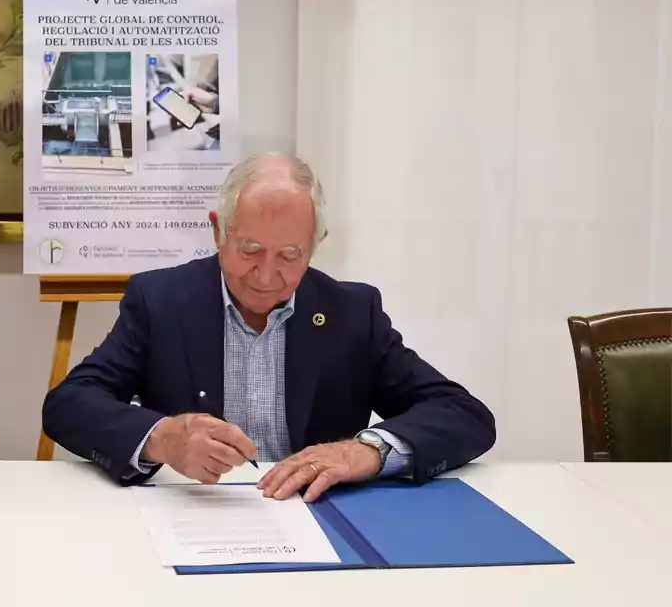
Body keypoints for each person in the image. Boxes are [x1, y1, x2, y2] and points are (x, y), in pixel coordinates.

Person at [42, 153, 495, 502]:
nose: (265, 274)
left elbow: (464, 414)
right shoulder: (161, 301)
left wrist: (365, 452)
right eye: (250, 249)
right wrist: (162, 438)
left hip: (317, 518)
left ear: (317, 245)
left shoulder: (352, 312)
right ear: (219, 230)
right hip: (194, 513)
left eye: (290, 255)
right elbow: (68, 404)